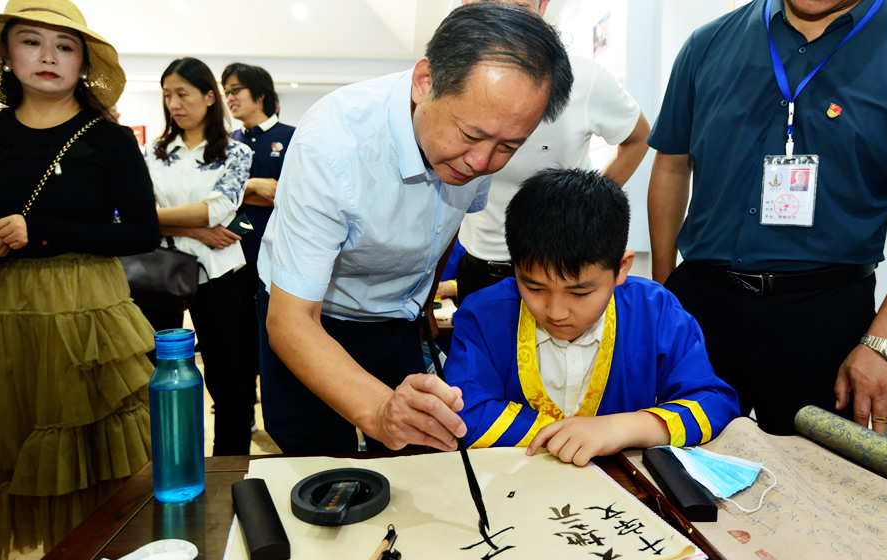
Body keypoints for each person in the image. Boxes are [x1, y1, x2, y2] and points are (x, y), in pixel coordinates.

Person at [257, 2, 573, 454]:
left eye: (509, 146)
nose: (482, 163)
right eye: (470, 135)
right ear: (426, 81)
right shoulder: (332, 147)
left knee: (415, 459)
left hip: (398, 320)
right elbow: (290, 322)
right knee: (319, 466)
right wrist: (378, 408)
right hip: (313, 320)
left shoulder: (481, 140)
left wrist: (423, 302)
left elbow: (447, 227)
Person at [647, 0, 887, 438]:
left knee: (820, 485)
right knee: (682, 470)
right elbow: (671, 164)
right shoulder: (708, 43)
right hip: (702, 304)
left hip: (827, 316)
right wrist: (664, 292)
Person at [0, 0, 159, 557]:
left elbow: (142, 231)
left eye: (64, 46)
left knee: (93, 442)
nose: (48, 56)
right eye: (30, 40)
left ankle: (99, 548)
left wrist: (38, 231)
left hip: (86, 303)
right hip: (6, 305)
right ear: (6, 52)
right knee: (14, 436)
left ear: (82, 62)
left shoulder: (108, 140)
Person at [444, 169, 739, 466]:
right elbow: (464, 409)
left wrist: (619, 428)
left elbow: (714, 402)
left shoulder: (654, 311)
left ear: (622, 268)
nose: (556, 312)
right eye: (534, 287)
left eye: (580, 292)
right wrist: (571, 436)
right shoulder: (484, 314)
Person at [454, 0, 651, 303]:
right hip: (481, 269)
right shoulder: (451, 78)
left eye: (520, 5)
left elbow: (639, 137)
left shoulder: (585, 78)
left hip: (558, 268)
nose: (505, 18)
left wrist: (588, 203)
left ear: (542, 5)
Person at [144, 57, 255, 455]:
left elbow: (218, 210)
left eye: (182, 94)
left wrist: (169, 220)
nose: (174, 103)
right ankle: (167, 462)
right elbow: (130, 215)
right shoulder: (152, 153)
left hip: (221, 275)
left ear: (210, 97)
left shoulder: (237, 153)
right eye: (167, 95)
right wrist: (191, 227)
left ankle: (230, 471)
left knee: (230, 382)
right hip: (160, 275)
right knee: (155, 374)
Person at [221, 62, 296, 413]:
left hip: (279, 257)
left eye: (235, 90)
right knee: (236, 339)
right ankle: (242, 408)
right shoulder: (227, 144)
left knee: (277, 335)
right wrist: (252, 187)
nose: (229, 98)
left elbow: (286, 193)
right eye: (226, 92)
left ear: (260, 94)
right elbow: (216, 198)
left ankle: (278, 406)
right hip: (232, 254)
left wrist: (242, 192)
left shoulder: (291, 136)